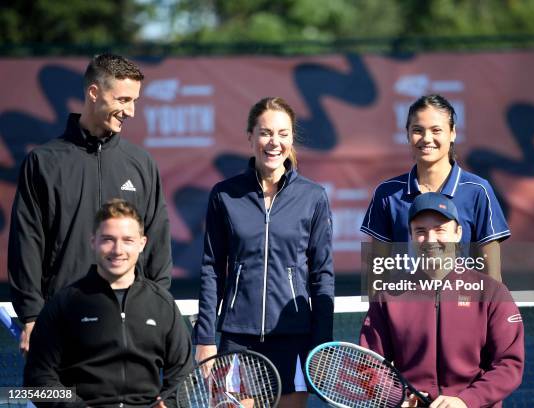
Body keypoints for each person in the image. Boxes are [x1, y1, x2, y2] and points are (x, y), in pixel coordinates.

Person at [8, 53, 172, 353]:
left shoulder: (141, 163)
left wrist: (157, 308)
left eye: (134, 100)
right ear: (94, 93)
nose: (131, 111)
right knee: (56, 400)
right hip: (61, 325)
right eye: (123, 100)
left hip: (130, 327)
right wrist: (32, 316)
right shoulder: (43, 162)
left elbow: (157, 243)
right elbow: (26, 243)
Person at [193, 97, 334, 408]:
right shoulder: (224, 195)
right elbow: (211, 269)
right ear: (250, 137)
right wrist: (204, 339)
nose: (274, 142)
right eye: (266, 132)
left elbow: (322, 276)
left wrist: (322, 343)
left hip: (294, 338)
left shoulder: (313, 197)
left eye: (283, 133)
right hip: (237, 337)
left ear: (292, 139)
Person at [360, 193, 524, 407]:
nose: (430, 239)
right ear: (410, 236)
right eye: (420, 231)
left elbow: (509, 364)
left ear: (458, 233)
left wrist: (465, 401)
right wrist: (397, 398)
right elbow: (369, 364)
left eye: (440, 229)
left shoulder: (492, 292)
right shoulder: (389, 295)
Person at [23, 199, 192, 406]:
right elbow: (37, 382)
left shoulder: (162, 304)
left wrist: (170, 403)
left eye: (127, 240)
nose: (117, 250)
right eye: (108, 239)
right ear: (93, 241)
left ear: (142, 243)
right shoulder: (64, 304)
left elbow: (182, 374)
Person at [361, 94, 509, 281]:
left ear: (453, 132)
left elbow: (493, 276)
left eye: (436, 130)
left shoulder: (478, 190)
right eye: (418, 130)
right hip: (406, 308)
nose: (426, 138)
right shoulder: (387, 194)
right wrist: (377, 310)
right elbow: (377, 274)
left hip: (463, 307)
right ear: (407, 134)